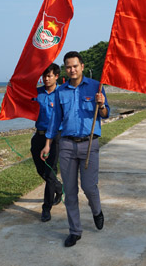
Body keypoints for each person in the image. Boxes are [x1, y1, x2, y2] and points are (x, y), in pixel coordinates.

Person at [41, 51, 110, 248]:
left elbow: (105, 114)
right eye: (68, 67)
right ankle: (75, 231)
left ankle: (96, 211)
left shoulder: (96, 86)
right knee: (69, 191)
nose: (72, 70)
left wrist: (102, 104)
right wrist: (47, 143)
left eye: (75, 66)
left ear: (81, 66)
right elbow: (54, 121)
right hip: (67, 145)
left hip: (89, 144)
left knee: (89, 187)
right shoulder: (60, 91)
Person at [30, 63, 63, 222]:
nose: (46, 79)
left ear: (56, 76)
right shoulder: (37, 92)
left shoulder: (62, 93)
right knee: (41, 170)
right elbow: (22, 101)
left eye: (49, 76)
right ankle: (59, 187)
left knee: (50, 173)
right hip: (39, 135)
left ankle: (46, 208)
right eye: (44, 76)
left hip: (56, 137)